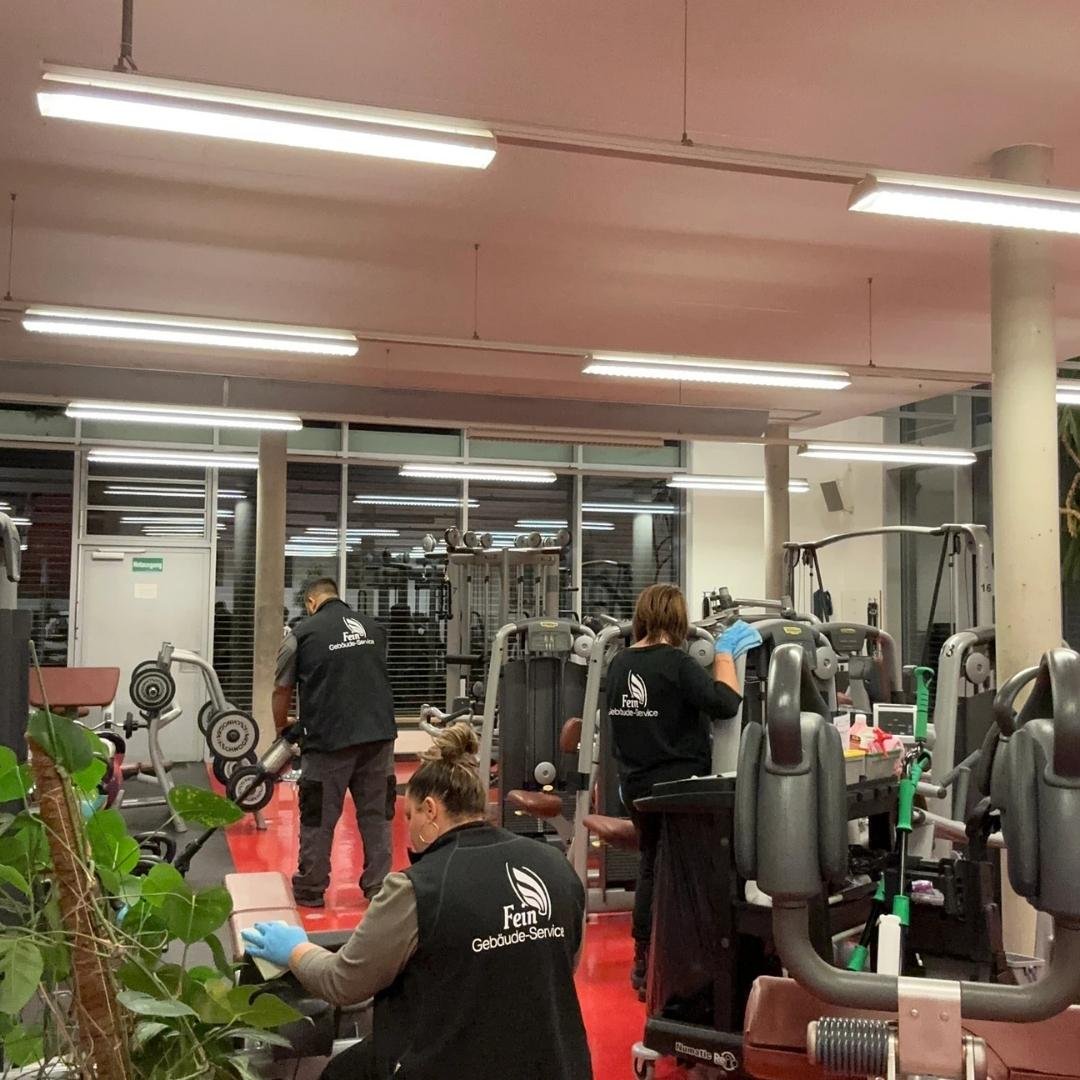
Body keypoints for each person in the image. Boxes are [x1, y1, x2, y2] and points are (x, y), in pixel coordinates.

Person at [242, 722, 592, 1080]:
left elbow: (342, 982)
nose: (407, 827)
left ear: (430, 810)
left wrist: (295, 950)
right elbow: (566, 962)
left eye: (409, 815)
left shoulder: (415, 887)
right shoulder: (557, 866)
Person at [605, 583, 762, 997]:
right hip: (677, 790)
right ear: (678, 620)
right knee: (684, 873)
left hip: (636, 786)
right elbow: (726, 703)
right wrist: (725, 653)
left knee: (652, 865)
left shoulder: (619, 664)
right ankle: (683, 967)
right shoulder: (676, 663)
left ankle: (645, 961)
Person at [274, 578, 397, 907]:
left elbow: (281, 689)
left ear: (311, 602)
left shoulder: (300, 635)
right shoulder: (374, 629)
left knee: (318, 816)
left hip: (328, 740)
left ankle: (311, 888)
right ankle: (379, 887)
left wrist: (281, 729)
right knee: (377, 815)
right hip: (378, 735)